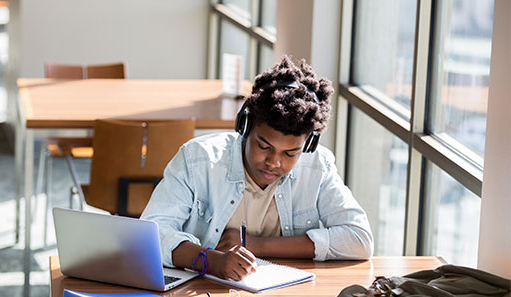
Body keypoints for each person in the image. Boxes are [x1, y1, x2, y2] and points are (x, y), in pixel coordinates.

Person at [141, 56, 373, 281]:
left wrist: (256, 244)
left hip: (281, 296)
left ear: (308, 145)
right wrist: (211, 261)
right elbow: (152, 234)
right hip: (203, 293)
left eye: (290, 153)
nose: (273, 162)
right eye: (264, 146)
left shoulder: (317, 166)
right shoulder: (198, 159)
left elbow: (359, 239)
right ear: (245, 126)